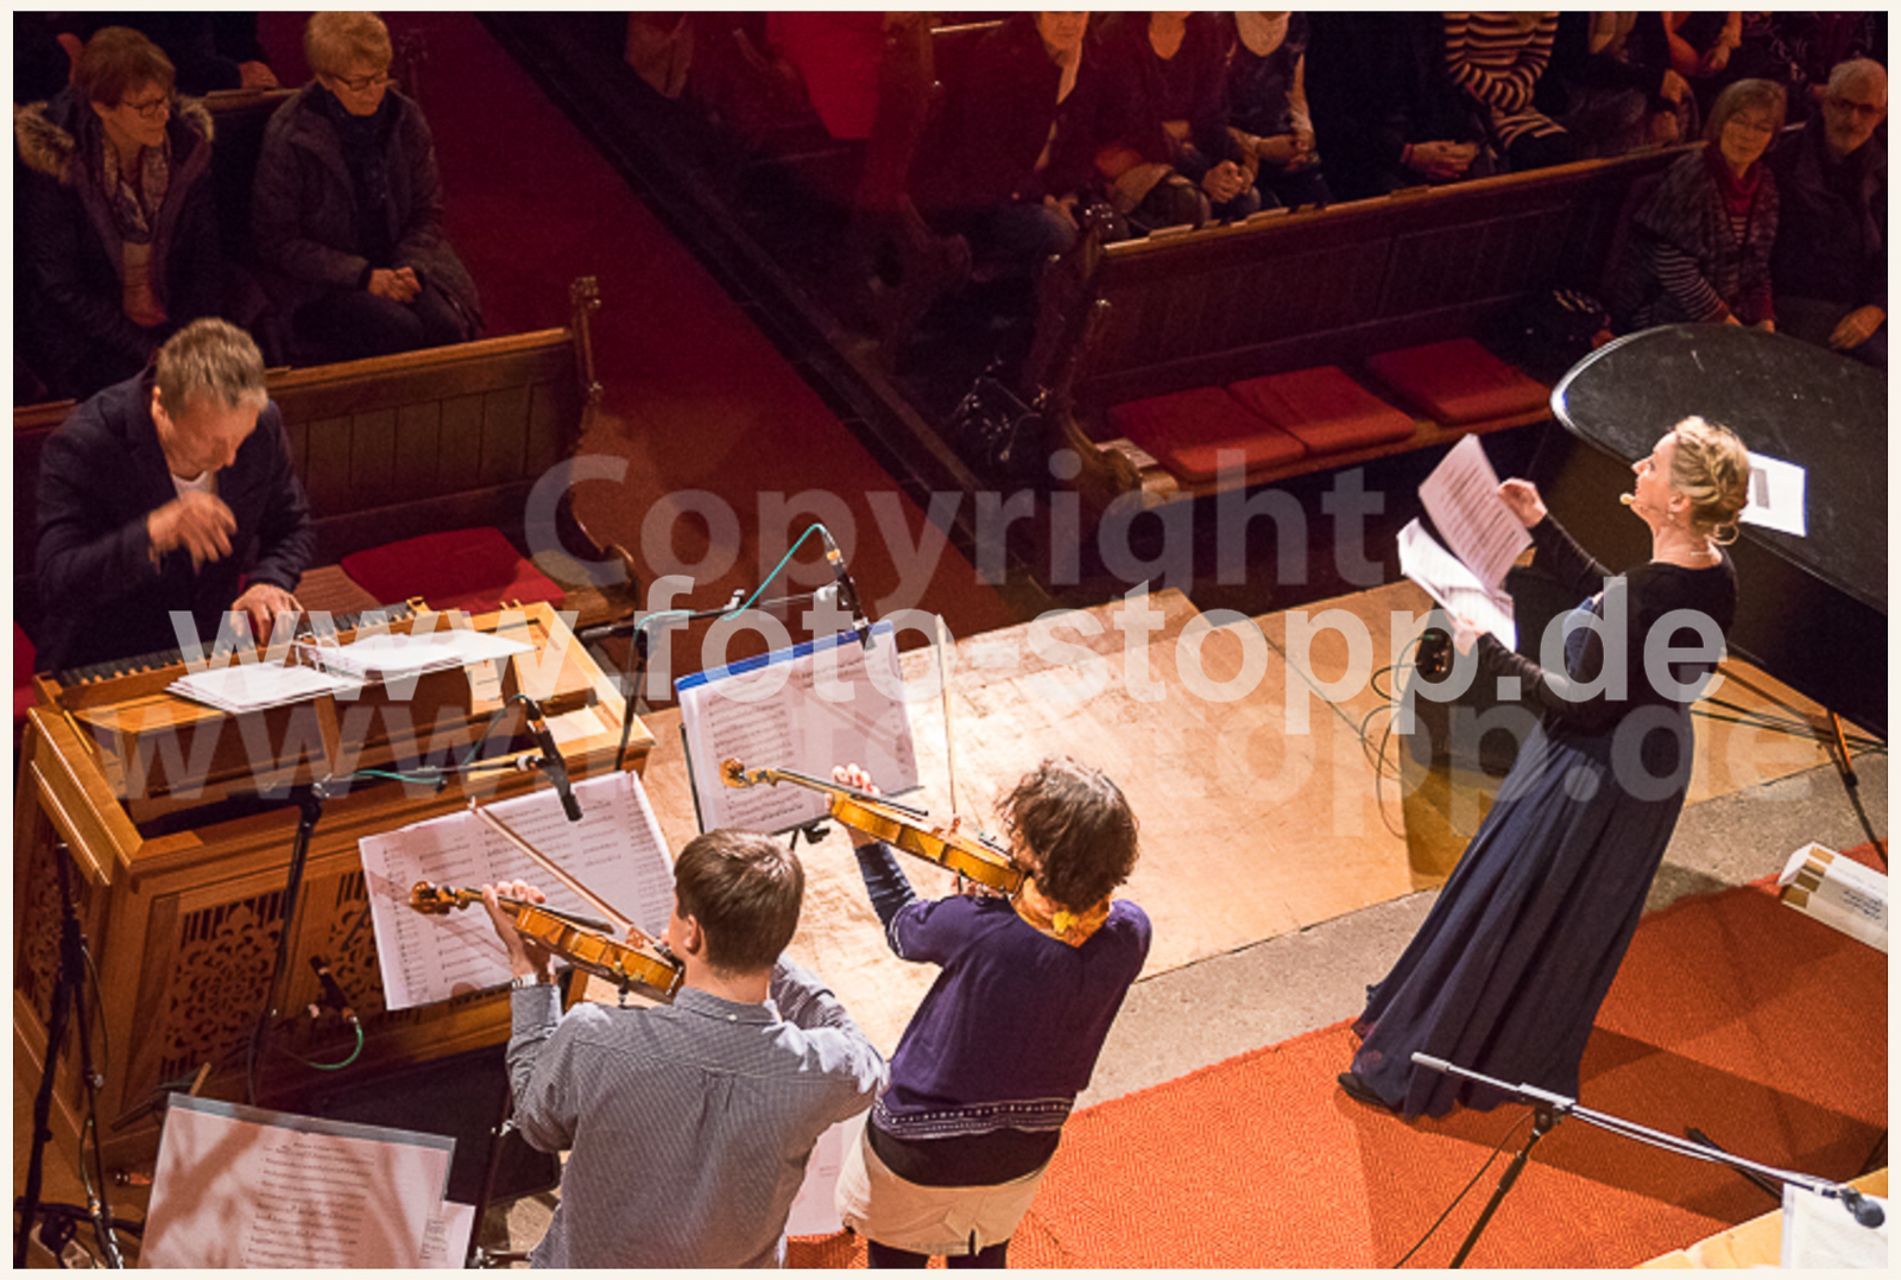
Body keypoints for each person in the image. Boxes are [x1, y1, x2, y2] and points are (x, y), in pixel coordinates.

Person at [1339, 417, 1748, 1118]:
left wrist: (1481, 646)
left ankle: (1437, 1052)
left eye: (1650, 466)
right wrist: (1540, 526)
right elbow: (1617, 606)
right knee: (1555, 919)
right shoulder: (1713, 572)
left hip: (1586, 773)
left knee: (1511, 903)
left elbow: (1580, 701)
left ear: (1679, 501)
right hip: (1645, 765)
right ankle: (1501, 1048)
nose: (1635, 471)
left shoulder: (1648, 593)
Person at [485, 829, 885, 1268]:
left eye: (676, 912)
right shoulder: (825, 1071)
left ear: (692, 934)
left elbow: (536, 1122)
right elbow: (866, 1056)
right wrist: (766, 945)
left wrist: (531, 971)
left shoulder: (591, 1037)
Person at [831, 757, 1151, 1267]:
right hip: (1021, 1149)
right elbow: (1050, 939)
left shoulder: (976, 928)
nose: (1008, 845)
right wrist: (1004, 900)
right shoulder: (1130, 933)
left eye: (1019, 837)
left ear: (1042, 861)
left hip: (919, 1147)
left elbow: (902, 929)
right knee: (982, 1261)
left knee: (895, 1265)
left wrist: (865, 839)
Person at [32, 318, 315, 673]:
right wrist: (155, 532)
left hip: (211, 645)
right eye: (211, 441)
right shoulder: (84, 444)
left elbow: (292, 527)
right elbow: (57, 583)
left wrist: (269, 581)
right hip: (106, 659)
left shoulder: (261, 424)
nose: (228, 458)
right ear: (161, 405)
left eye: (237, 440)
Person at [252, 11, 480, 364]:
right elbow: (278, 242)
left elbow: (427, 211)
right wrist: (362, 276)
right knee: (398, 330)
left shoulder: (406, 118)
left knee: (446, 328)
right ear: (325, 80)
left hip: (398, 263)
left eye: (380, 77)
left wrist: (411, 266)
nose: (375, 92)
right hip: (323, 284)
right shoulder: (290, 136)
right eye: (359, 83)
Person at [15, 26, 223, 400]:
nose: (162, 115)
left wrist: (186, 340)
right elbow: (61, 287)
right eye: (145, 106)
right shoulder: (61, 163)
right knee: (150, 401)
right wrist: (145, 350)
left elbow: (204, 260)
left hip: (172, 321)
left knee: (225, 386)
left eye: (164, 100)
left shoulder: (187, 150)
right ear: (102, 106)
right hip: (90, 336)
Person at [920, 12, 1117, 269]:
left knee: (1112, 229)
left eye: (1077, 11)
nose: (1068, 22)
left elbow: (1083, 139)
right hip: (991, 199)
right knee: (1059, 235)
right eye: (1057, 11)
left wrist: (1069, 193)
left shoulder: (1091, 51)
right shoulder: (999, 53)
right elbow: (985, 155)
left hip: (1052, 187)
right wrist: (1042, 197)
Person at [1606, 78, 1783, 333]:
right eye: (1740, 121)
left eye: (1761, 127)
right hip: (1666, 314)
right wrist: (1724, 322)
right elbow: (1671, 265)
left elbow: (1757, 266)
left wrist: (1764, 319)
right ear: (1722, 122)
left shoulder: (1765, 184)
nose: (1748, 135)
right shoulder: (1693, 173)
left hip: (1726, 315)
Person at [1094, 11, 1263, 233]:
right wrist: (1202, 173)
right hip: (1129, 155)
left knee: (1244, 198)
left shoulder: (1207, 27)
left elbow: (1212, 114)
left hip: (1185, 150)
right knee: (1188, 204)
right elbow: (1137, 127)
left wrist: (1231, 164)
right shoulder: (1118, 33)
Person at [1768, 58, 1886, 369]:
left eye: (1866, 109)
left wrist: (1878, 307)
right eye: (1843, 104)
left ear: (1881, 115)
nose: (1852, 118)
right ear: (1824, 103)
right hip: (1798, 301)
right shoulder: (1783, 161)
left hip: (1867, 304)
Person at [1305, 11, 1489, 201]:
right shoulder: (1331, 18)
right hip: (1366, 154)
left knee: (1478, 186)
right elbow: (1331, 115)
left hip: (1421, 136)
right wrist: (1405, 154)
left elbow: (1439, 83)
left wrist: (1468, 143)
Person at [1441, 12, 1579, 172]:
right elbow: (1453, 64)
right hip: (1466, 104)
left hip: (1513, 101)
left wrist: (1512, 95)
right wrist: (1509, 98)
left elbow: (1536, 58)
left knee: (1562, 151)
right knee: (1526, 154)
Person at [1224, 12, 1331, 209]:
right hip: (1232, 148)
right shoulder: (1222, 21)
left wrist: (1303, 135)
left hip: (1280, 143)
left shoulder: (1296, 21)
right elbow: (1206, 115)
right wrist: (1260, 146)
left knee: (1318, 199)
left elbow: (1295, 94)